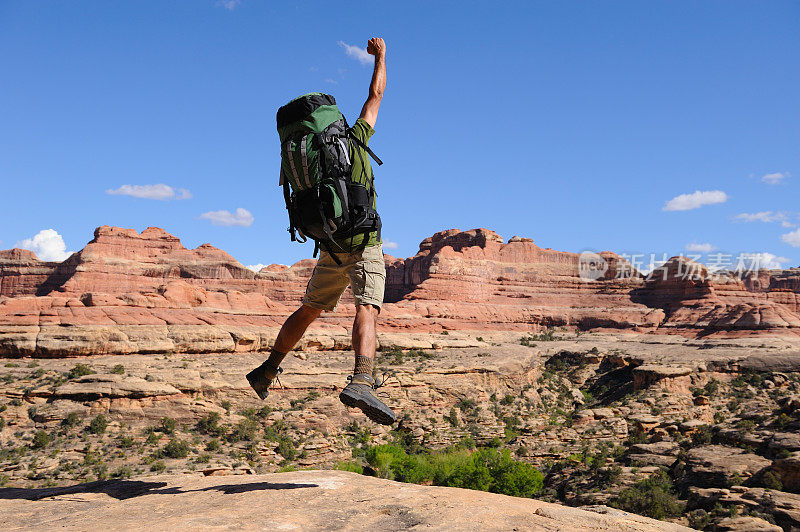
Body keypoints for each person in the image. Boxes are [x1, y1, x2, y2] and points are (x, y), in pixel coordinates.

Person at [247, 37, 395, 425]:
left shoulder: (305, 151)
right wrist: (381, 56)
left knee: (310, 308)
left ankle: (268, 368)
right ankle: (362, 380)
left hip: (329, 243)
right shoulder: (356, 138)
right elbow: (375, 94)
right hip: (364, 242)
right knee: (367, 306)